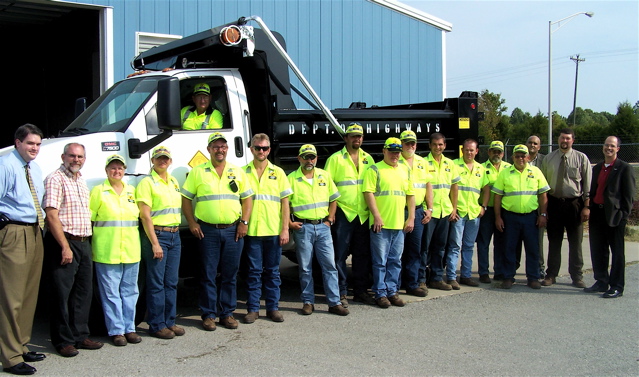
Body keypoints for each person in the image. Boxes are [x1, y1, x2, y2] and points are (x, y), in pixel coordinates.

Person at [182, 132, 253, 331]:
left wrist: (244, 222)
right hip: (207, 231)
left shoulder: (237, 171)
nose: (219, 150)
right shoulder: (198, 171)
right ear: (209, 150)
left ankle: (227, 313)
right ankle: (208, 314)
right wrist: (192, 223)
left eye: (223, 146)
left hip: (233, 230)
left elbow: (247, 199)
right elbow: (186, 198)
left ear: (227, 149)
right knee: (208, 274)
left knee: (230, 274)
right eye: (215, 147)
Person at [43, 143, 103, 358]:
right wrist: (64, 247)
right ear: (63, 156)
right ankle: (62, 341)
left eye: (80, 156)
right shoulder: (55, 178)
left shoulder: (81, 180)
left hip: (83, 241)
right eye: (72, 156)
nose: (76, 160)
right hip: (64, 242)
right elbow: (51, 215)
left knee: (82, 293)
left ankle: (80, 335)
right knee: (61, 294)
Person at [0, 124, 45, 376]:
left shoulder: (35, 168)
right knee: (11, 297)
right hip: (14, 232)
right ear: (17, 143)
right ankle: (10, 356)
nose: (35, 148)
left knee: (29, 294)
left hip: (34, 230)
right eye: (30, 144)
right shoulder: (5, 166)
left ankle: (21, 344)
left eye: (38, 144)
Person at [287, 144, 348, 316]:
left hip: (323, 227)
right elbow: (285, 204)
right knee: (305, 267)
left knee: (329, 265)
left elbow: (334, 198)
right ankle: (308, 302)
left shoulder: (324, 175)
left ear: (316, 159)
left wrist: (330, 219)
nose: (309, 160)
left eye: (312, 157)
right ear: (299, 158)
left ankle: (334, 302)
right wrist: (290, 224)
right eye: (305, 157)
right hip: (303, 227)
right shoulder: (291, 178)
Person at [90, 154, 142, 347]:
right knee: (110, 293)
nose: (117, 171)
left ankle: (130, 328)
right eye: (113, 168)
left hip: (130, 249)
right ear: (106, 171)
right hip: (107, 250)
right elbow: (90, 219)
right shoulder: (98, 191)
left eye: (120, 168)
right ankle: (117, 331)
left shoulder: (132, 191)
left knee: (130, 291)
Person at [324, 123, 376, 306]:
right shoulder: (335, 159)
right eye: (353, 136)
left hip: (363, 214)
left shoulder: (368, 159)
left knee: (362, 255)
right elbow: (328, 189)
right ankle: (341, 292)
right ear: (346, 138)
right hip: (343, 213)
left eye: (360, 136)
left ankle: (361, 291)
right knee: (339, 255)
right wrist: (331, 214)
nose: (357, 139)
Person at [242, 134, 292, 323]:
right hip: (252, 231)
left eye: (264, 148)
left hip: (273, 230)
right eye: (257, 148)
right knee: (253, 272)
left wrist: (285, 229)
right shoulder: (242, 172)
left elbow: (285, 203)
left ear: (269, 150)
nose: (261, 151)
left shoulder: (278, 172)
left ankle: (272, 308)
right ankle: (253, 309)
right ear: (251, 149)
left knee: (272, 272)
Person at [136, 146, 184, 339]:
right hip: (157, 235)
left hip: (175, 235)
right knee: (156, 283)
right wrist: (155, 243)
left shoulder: (172, 181)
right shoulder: (147, 183)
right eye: (158, 158)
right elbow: (145, 216)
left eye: (165, 158)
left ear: (170, 161)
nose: (162, 161)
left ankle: (169, 321)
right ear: (152, 161)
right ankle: (156, 324)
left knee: (171, 282)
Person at [363, 137, 415, 308]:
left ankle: (392, 291)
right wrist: (376, 216)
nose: (395, 155)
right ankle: (380, 293)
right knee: (380, 261)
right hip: (381, 225)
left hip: (399, 224)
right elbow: (368, 193)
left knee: (395, 260)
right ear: (384, 151)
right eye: (392, 152)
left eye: (398, 152)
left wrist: (411, 217)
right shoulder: (375, 169)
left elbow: (410, 195)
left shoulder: (405, 169)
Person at [493, 145, 549, 289]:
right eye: (517, 156)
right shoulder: (505, 173)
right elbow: (497, 197)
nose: (520, 158)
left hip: (530, 217)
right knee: (509, 248)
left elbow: (543, 195)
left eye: (523, 156)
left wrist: (543, 214)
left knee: (532, 248)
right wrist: (498, 217)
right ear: (512, 158)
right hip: (510, 217)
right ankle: (508, 277)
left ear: (528, 157)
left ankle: (533, 277)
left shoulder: (536, 172)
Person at [540, 128, 591, 288]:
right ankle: (551, 275)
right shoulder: (549, 159)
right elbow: (543, 186)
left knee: (576, 242)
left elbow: (588, 186)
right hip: (554, 203)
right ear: (558, 139)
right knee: (554, 241)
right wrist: (544, 209)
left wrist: (586, 207)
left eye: (568, 138)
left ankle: (577, 276)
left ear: (572, 140)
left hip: (574, 204)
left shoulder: (581, 158)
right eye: (562, 138)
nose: (565, 141)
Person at [585, 136, 635, 298]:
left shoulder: (624, 168)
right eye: (607, 145)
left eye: (612, 146)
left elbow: (628, 196)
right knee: (598, 250)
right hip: (597, 214)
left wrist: (624, 216)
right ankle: (601, 281)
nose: (609, 148)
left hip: (615, 216)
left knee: (617, 253)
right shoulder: (598, 168)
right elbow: (593, 191)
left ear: (618, 149)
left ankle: (617, 286)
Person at [421, 133, 460, 291]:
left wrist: (454, 208)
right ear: (430, 145)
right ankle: (421, 279)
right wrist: (426, 208)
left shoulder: (450, 164)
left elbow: (454, 187)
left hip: (445, 212)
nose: (438, 147)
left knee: (440, 247)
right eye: (435, 144)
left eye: (441, 145)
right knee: (424, 248)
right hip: (429, 213)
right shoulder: (422, 163)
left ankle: (437, 278)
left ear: (444, 146)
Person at [445, 139, 487, 288]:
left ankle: (466, 276)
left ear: (477, 151)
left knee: (468, 246)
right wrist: (453, 208)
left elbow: (486, 187)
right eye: (467, 149)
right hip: (459, 212)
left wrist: (484, 206)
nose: (469, 152)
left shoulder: (480, 169)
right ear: (462, 150)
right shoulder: (454, 165)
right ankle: (451, 277)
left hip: (473, 213)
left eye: (472, 150)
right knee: (455, 245)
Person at [398, 130, 433, 297]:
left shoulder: (422, 162)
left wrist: (430, 208)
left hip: (418, 211)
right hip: (398, 211)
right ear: (401, 144)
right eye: (406, 143)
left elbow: (428, 186)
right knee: (397, 251)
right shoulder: (395, 160)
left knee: (414, 250)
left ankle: (412, 284)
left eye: (412, 143)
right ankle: (395, 286)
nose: (410, 146)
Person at [475, 141, 511, 283]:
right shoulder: (482, 168)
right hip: (487, 210)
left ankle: (499, 271)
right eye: (494, 151)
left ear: (503, 153)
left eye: (499, 151)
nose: (497, 154)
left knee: (501, 242)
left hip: (504, 210)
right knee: (483, 242)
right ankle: (483, 272)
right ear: (488, 152)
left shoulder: (509, 168)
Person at [525, 135, 546, 278]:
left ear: (539, 147)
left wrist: (543, 212)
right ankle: (514, 267)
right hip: (521, 207)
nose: (532, 145)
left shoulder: (546, 161)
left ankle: (540, 268)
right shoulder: (518, 158)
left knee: (537, 241)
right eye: (530, 143)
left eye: (535, 143)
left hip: (539, 207)